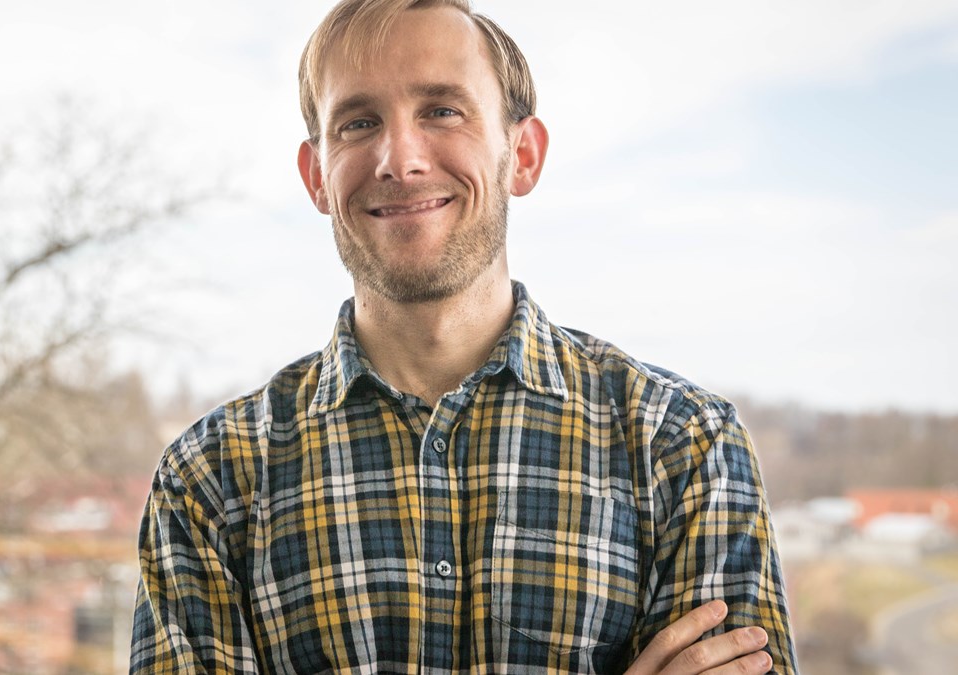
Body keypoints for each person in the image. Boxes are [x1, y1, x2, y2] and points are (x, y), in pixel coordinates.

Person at [131, 0, 797, 672]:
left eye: (442, 110)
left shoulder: (681, 445)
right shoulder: (211, 483)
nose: (400, 158)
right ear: (317, 177)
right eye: (359, 122)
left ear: (523, 154)